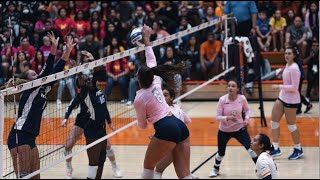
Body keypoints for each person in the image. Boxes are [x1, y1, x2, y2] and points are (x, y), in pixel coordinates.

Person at [6, 32, 73, 178]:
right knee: (24, 176)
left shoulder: (43, 88)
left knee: (36, 176)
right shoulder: (30, 88)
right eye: (33, 74)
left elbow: (57, 70)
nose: (36, 75)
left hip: (31, 137)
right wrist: (54, 49)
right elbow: (48, 69)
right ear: (28, 81)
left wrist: (67, 51)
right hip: (19, 135)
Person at [134, 24, 196, 179]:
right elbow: (151, 58)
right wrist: (147, 39)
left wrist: (145, 118)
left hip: (165, 127)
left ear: (138, 79)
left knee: (148, 168)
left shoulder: (139, 98)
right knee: (184, 175)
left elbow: (141, 126)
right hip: (179, 125)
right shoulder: (156, 80)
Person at [61, 51, 122, 179]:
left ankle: (115, 166)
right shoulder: (82, 90)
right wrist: (66, 118)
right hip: (83, 121)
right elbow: (72, 104)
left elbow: (104, 108)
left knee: (108, 147)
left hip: (95, 123)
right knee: (67, 146)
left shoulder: (97, 89)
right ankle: (69, 168)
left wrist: (109, 122)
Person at [209, 79, 257, 177]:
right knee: (221, 153)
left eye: (233, 86)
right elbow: (218, 117)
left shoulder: (242, 98)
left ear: (238, 89)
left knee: (251, 149)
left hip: (239, 129)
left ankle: (261, 168)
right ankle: (215, 169)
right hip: (224, 131)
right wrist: (228, 118)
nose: (230, 88)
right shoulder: (222, 100)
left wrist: (246, 120)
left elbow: (247, 110)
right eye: (229, 86)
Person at [269, 46, 304, 160]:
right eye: (285, 53)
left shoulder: (294, 68)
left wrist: (279, 86)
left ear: (294, 55)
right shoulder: (287, 66)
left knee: (291, 125)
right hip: (282, 97)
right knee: (274, 121)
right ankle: (275, 148)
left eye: (289, 53)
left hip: (291, 100)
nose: (286, 55)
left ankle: (298, 148)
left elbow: (294, 87)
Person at [154, 86, 192, 179]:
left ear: (171, 98)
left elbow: (187, 120)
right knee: (161, 168)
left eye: (165, 95)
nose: (163, 97)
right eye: (161, 95)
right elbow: (187, 121)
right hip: (171, 141)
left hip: (178, 141)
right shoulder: (167, 109)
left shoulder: (174, 109)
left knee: (161, 169)